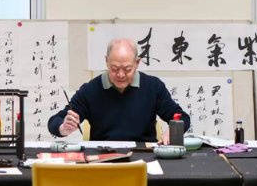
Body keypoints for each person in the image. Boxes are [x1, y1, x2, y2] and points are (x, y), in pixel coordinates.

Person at [48, 38, 190, 143]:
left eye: (127, 69)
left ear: (137, 63)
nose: (121, 75)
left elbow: (182, 117)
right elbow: (54, 121)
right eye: (114, 69)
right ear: (106, 61)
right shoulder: (90, 90)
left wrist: (173, 131)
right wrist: (63, 127)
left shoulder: (153, 87)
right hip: (103, 157)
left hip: (144, 156)